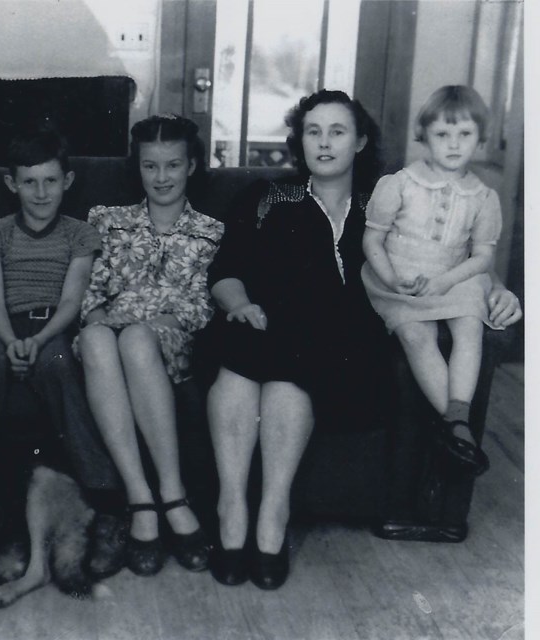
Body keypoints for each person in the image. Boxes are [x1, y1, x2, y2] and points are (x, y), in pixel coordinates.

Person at [204, 89, 522, 592]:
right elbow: (225, 270)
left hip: (343, 338)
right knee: (245, 353)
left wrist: (497, 291)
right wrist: (239, 303)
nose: (324, 142)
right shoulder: (267, 196)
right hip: (262, 321)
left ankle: (273, 511)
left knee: (290, 371)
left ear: (360, 141)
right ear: (299, 140)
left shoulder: (394, 196)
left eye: (338, 131)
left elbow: (450, 255)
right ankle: (231, 506)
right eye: (313, 131)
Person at [0, 128, 128, 577]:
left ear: (67, 180)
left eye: (50, 181)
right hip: (4, 325)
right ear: (11, 184)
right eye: (29, 182)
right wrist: (12, 341)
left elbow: (73, 302)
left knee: (57, 362)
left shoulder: (80, 234)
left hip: (56, 326)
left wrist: (39, 338)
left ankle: (103, 495)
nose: (41, 192)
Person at [76, 114, 224, 576]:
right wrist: (96, 314)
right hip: (109, 336)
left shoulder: (210, 232)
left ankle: (173, 494)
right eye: (150, 166)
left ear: (192, 166)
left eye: (173, 165)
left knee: (137, 339)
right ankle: (142, 498)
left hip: (166, 340)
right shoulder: (107, 222)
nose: (161, 177)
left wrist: (167, 317)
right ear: (137, 168)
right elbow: (90, 291)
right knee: (96, 338)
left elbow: (205, 302)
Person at [362, 86, 500, 476]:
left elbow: (483, 257)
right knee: (415, 334)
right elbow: (372, 239)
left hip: (454, 274)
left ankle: (456, 417)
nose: (454, 144)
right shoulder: (400, 184)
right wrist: (390, 280)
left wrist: (447, 282)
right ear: (423, 135)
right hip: (398, 275)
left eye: (465, 135)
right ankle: (459, 432)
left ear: (481, 138)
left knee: (470, 325)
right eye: (442, 134)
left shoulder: (483, 197)